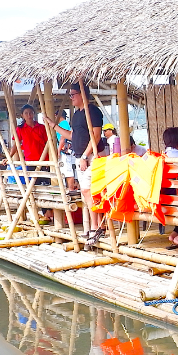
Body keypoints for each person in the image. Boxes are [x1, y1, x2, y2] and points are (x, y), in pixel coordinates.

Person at [69, 82, 108, 245]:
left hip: (92, 155)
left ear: (82, 94)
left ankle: (95, 227)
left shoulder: (92, 111)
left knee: (87, 189)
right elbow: (73, 135)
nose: (71, 97)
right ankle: (98, 225)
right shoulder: (76, 114)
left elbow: (96, 135)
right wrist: (54, 126)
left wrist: (85, 155)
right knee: (88, 192)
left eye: (73, 94)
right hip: (79, 156)